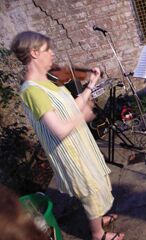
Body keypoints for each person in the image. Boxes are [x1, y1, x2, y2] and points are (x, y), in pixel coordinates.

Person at [10, 31, 124, 240]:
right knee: (91, 188)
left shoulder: (47, 81)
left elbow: (72, 106)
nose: (52, 53)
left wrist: (91, 85)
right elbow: (60, 129)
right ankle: (98, 234)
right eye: (47, 49)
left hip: (80, 144)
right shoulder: (32, 90)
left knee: (97, 182)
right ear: (34, 53)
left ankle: (97, 219)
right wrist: (82, 117)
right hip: (70, 151)